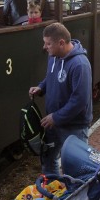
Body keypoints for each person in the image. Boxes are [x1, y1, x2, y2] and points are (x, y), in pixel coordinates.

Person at [28, 23, 92, 175]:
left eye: (48, 43)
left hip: (73, 126)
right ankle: (53, 191)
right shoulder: (54, 57)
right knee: (48, 160)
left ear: (61, 43)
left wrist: (55, 117)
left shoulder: (80, 65)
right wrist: (41, 87)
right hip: (54, 124)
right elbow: (51, 77)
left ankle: (75, 196)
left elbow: (79, 100)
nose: (45, 47)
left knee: (76, 167)